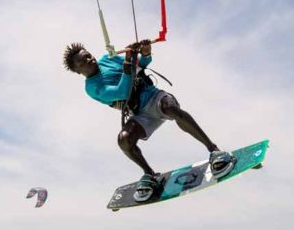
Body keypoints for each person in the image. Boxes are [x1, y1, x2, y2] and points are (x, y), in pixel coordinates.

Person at [63, 39, 235, 201]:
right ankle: (149, 174)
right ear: (78, 71)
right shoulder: (92, 88)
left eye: (89, 56)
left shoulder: (107, 59)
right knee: (123, 140)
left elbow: (141, 65)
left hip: (154, 97)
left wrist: (145, 54)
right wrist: (127, 64)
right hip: (140, 113)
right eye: (83, 62)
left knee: (172, 110)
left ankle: (214, 150)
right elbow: (122, 92)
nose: (89, 60)